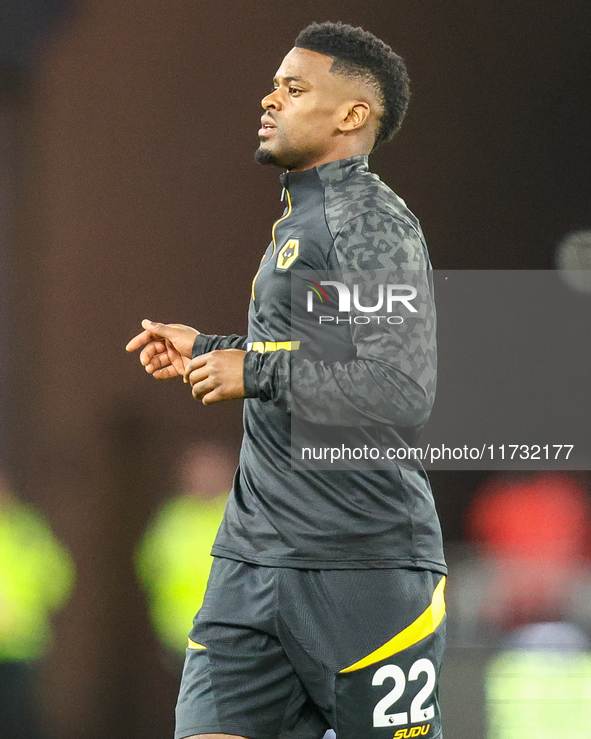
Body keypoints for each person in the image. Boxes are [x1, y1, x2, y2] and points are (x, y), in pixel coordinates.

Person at [126, 21, 446, 739]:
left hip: (360, 563)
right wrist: (210, 348)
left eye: (294, 88)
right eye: (273, 86)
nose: (269, 100)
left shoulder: (367, 219)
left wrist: (256, 368)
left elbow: (400, 385)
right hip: (252, 555)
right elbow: (315, 354)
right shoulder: (300, 218)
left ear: (351, 114)